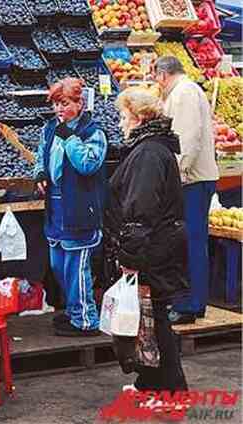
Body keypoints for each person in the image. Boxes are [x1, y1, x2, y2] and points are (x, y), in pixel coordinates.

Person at [106, 87, 188, 393]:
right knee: (148, 321)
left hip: (153, 251)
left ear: (138, 117)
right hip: (157, 247)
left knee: (158, 322)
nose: (120, 123)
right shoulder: (151, 149)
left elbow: (141, 212)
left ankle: (171, 390)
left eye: (123, 116)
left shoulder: (149, 154)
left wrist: (129, 260)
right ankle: (151, 383)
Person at [33, 78, 108, 337]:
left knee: (77, 267)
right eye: (55, 105)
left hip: (79, 209)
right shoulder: (49, 128)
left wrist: (70, 137)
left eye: (64, 104)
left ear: (79, 103)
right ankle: (74, 312)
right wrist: (40, 172)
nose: (58, 110)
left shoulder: (93, 133)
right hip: (55, 208)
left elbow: (88, 164)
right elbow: (41, 152)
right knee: (59, 266)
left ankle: (86, 321)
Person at [154, 56, 220, 324]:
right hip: (192, 178)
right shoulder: (185, 92)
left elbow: (187, 138)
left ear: (162, 75)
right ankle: (191, 301)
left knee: (191, 242)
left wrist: (178, 174)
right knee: (190, 241)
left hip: (192, 180)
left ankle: (190, 304)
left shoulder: (184, 93)